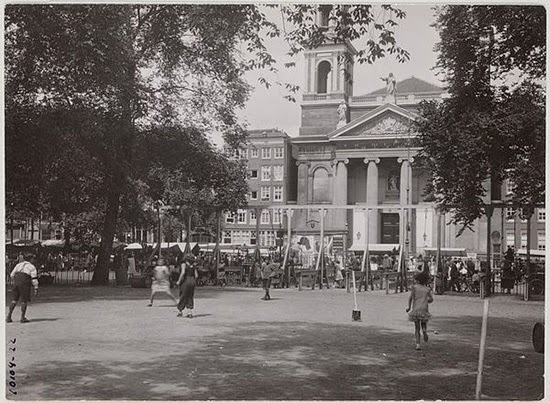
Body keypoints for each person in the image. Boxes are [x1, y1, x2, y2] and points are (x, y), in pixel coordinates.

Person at [7, 253, 39, 323]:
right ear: (30, 259)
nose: (34, 260)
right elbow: (34, 279)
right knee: (24, 300)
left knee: (14, 300)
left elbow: (12, 275)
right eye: (33, 259)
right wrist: (36, 287)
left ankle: (9, 316)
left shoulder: (19, 265)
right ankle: (22, 317)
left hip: (16, 283)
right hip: (25, 284)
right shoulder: (32, 267)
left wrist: (15, 281)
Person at [406, 271, 434, 351]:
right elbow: (431, 299)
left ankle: (418, 344)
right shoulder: (427, 289)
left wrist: (409, 307)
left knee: (417, 328)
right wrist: (426, 301)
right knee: (424, 323)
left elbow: (411, 298)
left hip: (416, 308)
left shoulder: (414, 287)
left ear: (417, 280)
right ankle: (424, 330)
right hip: (424, 308)